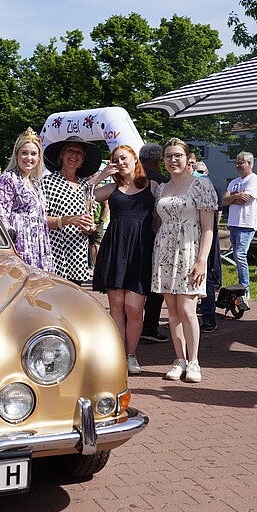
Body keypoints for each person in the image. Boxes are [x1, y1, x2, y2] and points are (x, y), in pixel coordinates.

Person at [151, 138, 217, 383]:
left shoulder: (201, 185)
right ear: (163, 160)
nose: (173, 160)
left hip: (190, 251)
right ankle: (179, 359)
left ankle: (194, 361)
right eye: (168, 156)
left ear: (188, 159)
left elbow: (208, 228)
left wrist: (202, 260)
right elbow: (159, 223)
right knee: (172, 310)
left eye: (177, 155)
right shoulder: (162, 188)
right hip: (165, 252)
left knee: (187, 308)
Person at [91, 145, 158, 375]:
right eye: (116, 160)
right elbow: (85, 196)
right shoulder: (112, 188)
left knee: (134, 308)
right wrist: (101, 176)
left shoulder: (152, 186)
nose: (120, 163)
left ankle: (131, 354)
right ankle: (120, 355)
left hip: (141, 249)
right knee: (117, 306)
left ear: (135, 159)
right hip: (116, 247)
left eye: (124, 158)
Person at [0, 128, 54, 273]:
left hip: (38, 245)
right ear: (16, 154)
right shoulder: (8, 178)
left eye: (33, 154)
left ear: (39, 157)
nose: (29, 158)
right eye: (24, 153)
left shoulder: (35, 183)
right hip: (20, 246)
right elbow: (0, 214)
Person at [41, 136, 100, 285]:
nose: (74, 155)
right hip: (54, 255)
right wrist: (68, 220)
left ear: (83, 159)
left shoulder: (86, 187)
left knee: (73, 298)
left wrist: (90, 228)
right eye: (70, 150)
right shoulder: (47, 182)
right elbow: (40, 221)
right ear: (61, 155)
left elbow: (90, 220)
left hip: (77, 257)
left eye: (79, 152)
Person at [222, 152, 257, 311]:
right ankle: (241, 285)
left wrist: (233, 198)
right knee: (237, 255)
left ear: (249, 164)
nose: (237, 166)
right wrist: (237, 196)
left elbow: (241, 201)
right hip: (233, 223)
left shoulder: (255, 180)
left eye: (240, 163)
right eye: (236, 163)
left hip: (246, 223)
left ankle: (245, 288)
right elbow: (224, 201)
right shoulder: (234, 182)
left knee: (240, 255)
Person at [138, 142, 170, 343]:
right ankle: (149, 327)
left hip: (132, 236)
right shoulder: (164, 182)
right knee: (156, 283)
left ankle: (128, 326)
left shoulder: (130, 179)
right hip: (157, 238)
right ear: (158, 161)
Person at [192, 161, 222, 333]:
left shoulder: (212, 187)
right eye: (195, 169)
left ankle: (209, 317)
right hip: (187, 240)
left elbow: (215, 216)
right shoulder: (182, 186)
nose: (198, 173)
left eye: (201, 171)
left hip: (205, 238)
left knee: (206, 275)